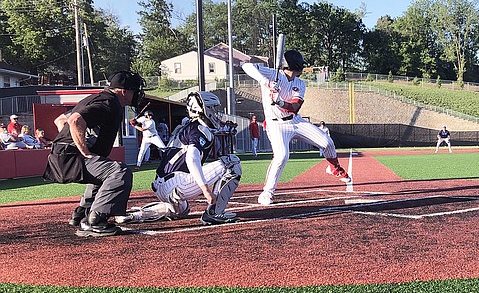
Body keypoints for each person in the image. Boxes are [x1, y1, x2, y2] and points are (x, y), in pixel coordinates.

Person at [43, 70, 146, 237]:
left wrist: (72, 142)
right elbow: (75, 121)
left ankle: (81, 214)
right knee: (119, 172)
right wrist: (84, 151)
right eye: (135, 90)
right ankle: (96, 221)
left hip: (62, 155)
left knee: (104, 170)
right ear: (124, 91)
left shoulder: (96, 98)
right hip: (71, 158)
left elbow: (60, 120)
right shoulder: (109, 103)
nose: (138, 94)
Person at [242, 50, 351, 206]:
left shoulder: (300, 83)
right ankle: (266, 193)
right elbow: (246, 66)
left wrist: (280, 102)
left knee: (327, 142)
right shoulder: (273, 74)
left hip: (295, 121)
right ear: (296, 65)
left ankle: (334, 168)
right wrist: (265, 82)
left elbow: (294, 107)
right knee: (281, 156)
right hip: (275, 124)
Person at [118, 91, 241, 225]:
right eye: (213, 108)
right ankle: (215, 213)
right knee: (232, 162)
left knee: (181, 210)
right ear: (204, 109)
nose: (216, 113)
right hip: (177, 183)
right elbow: (192, 158)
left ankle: (136, 215)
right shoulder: (199, 129)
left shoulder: (186, 126)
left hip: (161, 185)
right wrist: (205, 190)